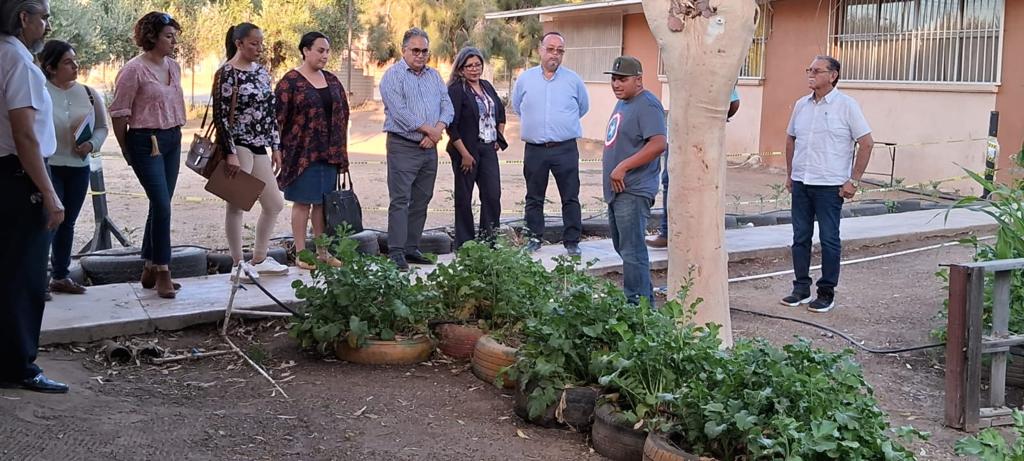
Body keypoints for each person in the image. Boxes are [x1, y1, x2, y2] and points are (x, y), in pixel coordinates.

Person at [0, 0, 70, 393]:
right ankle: (19, 366)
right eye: (43, 15)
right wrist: (48, 192)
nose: (47, 23)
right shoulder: (18, 62)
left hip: (6, 174)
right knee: (23, 275)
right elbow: (25, 134)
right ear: (23, 18)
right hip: (18, 176)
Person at [781, 55, 873, 313]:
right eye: (809, 69)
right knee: (800, 237)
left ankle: (826, 292)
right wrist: (790, 174)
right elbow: (791, 139)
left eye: (817, 70)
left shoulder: (847, 106)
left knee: (829, 239)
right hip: (802, 182)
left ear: (833, 75)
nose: (811, 74)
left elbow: (866, 143)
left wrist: (853, 180)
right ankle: (800, 289)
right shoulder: (801, 105)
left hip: (830, 185)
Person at [109, 11, 186, 299]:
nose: (173, 40)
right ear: (151, 37)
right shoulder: (133, 70)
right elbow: (118, 113)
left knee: (160, 203)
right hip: (145, 141)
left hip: (172, 139)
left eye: (174, 35)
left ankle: (149, 266)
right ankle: (164, 270)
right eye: (168, 35)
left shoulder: (174, 67)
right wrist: (125, 148)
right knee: (163, 205)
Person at [213, 23, 288, 282]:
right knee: (236, 205)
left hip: (259, 145)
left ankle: (259, 256)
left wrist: (276, 146)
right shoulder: (226, 73)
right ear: (239, 43)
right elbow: (221, 116)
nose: (259, 48)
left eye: (260, 43)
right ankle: (237, 263)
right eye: (253, 43)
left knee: (274, 203)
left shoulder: (262, 73)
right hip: (238, 145)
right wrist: (229, 152)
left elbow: (270, 114)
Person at [380, 27, 453, 271]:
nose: (420, 55)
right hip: (403, 146)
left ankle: (412, 248)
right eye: (415, 50)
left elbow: (447, 105)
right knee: (401, 200)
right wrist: (428, 130)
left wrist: (436, 132)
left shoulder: (434, 76)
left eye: (424, 51)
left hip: (429, 147)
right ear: (404, 50)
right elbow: (400, 113)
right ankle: (397, 252)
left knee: (422, 199)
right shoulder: (393, 76)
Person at [274, 31, 349, 270]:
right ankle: (302, 254)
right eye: (320, 50)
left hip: (330, 153)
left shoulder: (333, 80)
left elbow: (343, 115)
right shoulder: (290, 82)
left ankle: (322, 251)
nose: (325, 55)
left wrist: (341, 152)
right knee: (303, 203)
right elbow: (277, 119)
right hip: (301, 154)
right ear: (306, 50)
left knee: (323, 204)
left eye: (327, 51)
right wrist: (277, 150)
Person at [38, 40, 108, 295]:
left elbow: (102, 126)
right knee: (49, 221)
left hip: (78, 167)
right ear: (51, 67)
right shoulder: (39, 91)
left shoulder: (89, 93)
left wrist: (91, 144)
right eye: (68, 62)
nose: (76, 66)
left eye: (75, 60)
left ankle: (60, 276)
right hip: (49, 166)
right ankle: (38, 279)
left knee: (68, 222)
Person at [512, 31, 589, 256]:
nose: (554, 54)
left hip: (565, 149)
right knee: (534, 197)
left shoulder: (573, 80)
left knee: (570, 196)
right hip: (535, 150)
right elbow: (518, 107)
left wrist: (560, 125)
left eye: (559, 51)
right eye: (550, 49)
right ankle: (534, 239)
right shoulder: (525, 79)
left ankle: (572, 241)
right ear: (540, 51)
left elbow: (582, 107)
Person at [601, 56, 667, 305]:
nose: (616, 84)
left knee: (632, 250)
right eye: (614, 79)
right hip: (617, 190)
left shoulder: (647, 105)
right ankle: (643, 300)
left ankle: (637, 308)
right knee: (624, 248)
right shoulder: (624, 103)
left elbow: (659, 143)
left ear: (638, 80)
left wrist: (623, 166)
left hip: (634, 189)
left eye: (622, 79)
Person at [646, 88, 739, 248]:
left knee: (699, 184)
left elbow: (734, 101)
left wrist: (716, 118)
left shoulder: (710, 74)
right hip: (676, 137)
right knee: (670, 182)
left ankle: (696, 235)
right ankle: (669, 233)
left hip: (698, 139)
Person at [446, 46, 505, 249]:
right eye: (469, 65)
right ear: (461, 69)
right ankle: (465, 243)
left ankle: (489, 240)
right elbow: (451, 126)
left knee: (492, 195)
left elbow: (501, 112)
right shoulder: (456, 90)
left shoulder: (487, 86)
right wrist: (464, 154)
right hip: (465, 150)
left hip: (488, 149)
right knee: (464, 197)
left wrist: (499, 136)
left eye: (477, 64)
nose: (474, 69)